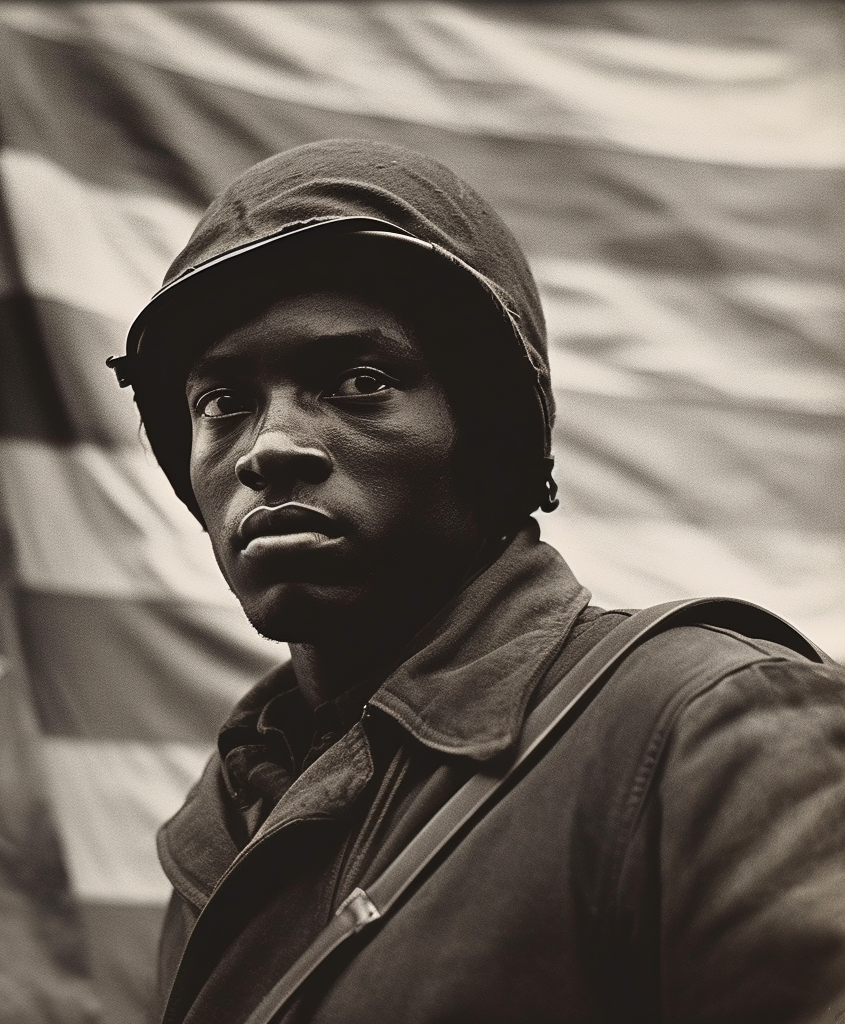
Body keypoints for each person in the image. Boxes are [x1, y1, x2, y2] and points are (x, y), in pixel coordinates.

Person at [110, 140, 845, 1024]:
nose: (269, 447)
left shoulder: (708, 731)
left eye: (359, 382)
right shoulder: (226, 827)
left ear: (489, 442)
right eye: (222, 402)